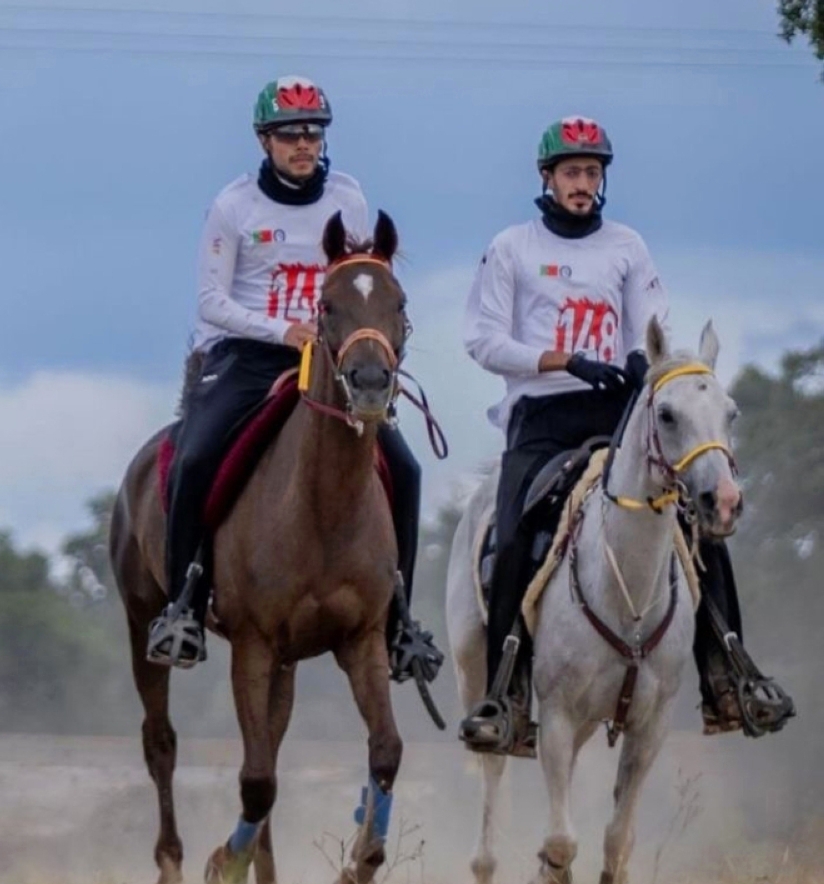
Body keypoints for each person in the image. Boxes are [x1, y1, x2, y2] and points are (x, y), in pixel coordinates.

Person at [458, 115, 793, 750]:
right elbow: (482, 339)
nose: (583, 184)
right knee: (514, 527)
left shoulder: (626, 246)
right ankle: (505, 695)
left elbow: (650, 321)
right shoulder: (512, 248)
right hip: (541, 413)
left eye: (592, 172)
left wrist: (644, 364)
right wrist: (560, 361)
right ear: (547, 178)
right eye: (571, 173)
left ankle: (729, 678)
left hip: (617, 407)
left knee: (694, 520)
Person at [146, 75, 441, 684]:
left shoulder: (348, 197)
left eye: (312, 132)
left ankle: (400, 619)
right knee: (196, 456)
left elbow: (361, 276)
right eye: (289, 135)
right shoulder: (233, 207)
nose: (303, 144)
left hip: (333, 362)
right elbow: (209, 301)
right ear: (265, 140)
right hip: (249, 357)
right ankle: (184, 605)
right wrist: (282, 332)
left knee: (405, 469)